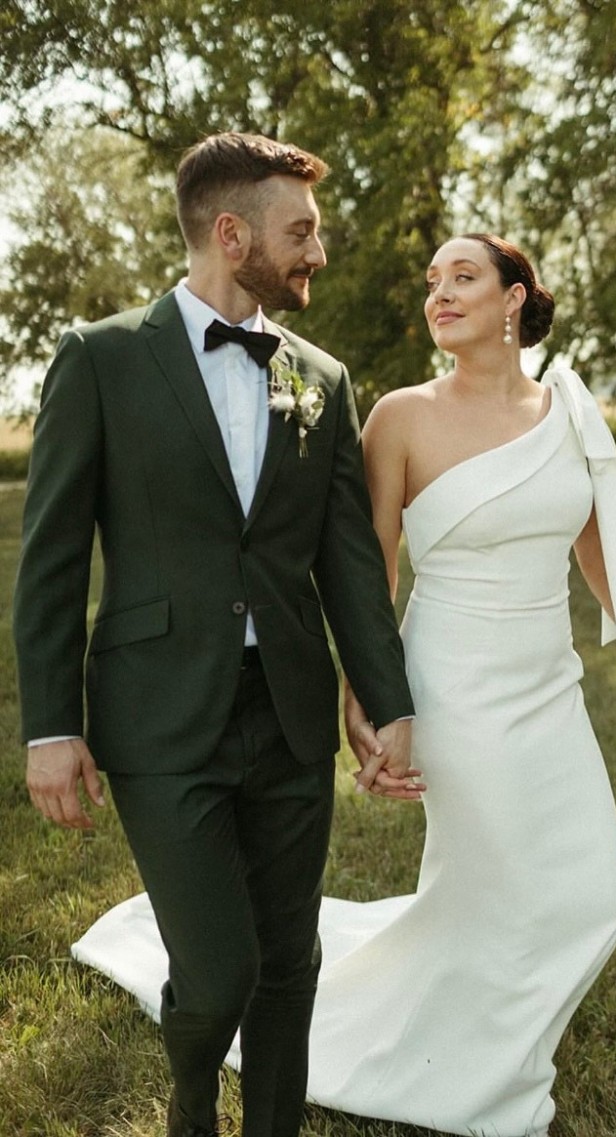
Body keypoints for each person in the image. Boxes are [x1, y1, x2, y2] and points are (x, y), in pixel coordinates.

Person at [69, 233, 616, 1137]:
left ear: (515, 300)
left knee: (595, 892)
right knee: (495, 880)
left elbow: (605, 554)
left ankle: (488, 1029)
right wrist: (370, 695)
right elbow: (365, 566)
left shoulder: (572, 410)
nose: (440, 295)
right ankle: (482, 1070)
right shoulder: (398, 417)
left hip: (548, 684)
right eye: (431, 283)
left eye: (463, 279)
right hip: (452, 681)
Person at [12, 132, 416, 1137]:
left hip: (287, 712)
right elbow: (53, 560)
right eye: (302, 232)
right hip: (156, 713)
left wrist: (387, 701)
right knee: (221, 970)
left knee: (290, 962)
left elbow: (350, 565)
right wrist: (50, 728)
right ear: (232, 234)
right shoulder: (100, 360)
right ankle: (195, 1104)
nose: (317, 251)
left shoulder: (321, 378)